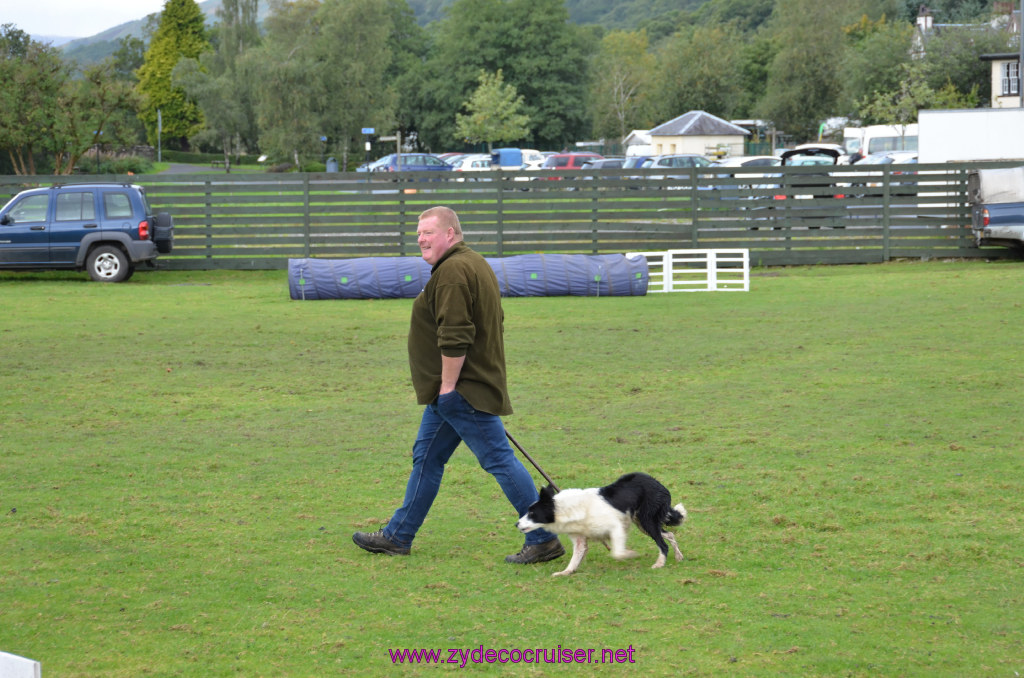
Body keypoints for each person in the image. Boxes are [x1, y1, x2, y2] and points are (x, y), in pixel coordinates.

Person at [352, 206, 564, 565]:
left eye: (428, 232)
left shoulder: (452, 272)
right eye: (418, 233)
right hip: (454, 389)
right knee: (427, 458)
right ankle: (398, 536)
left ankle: (543, 537)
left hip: (461, 389)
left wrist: (449, 387)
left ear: (450, 234)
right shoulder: (472, 262)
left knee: (498, 459)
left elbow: (456, 336)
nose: (420, 238)